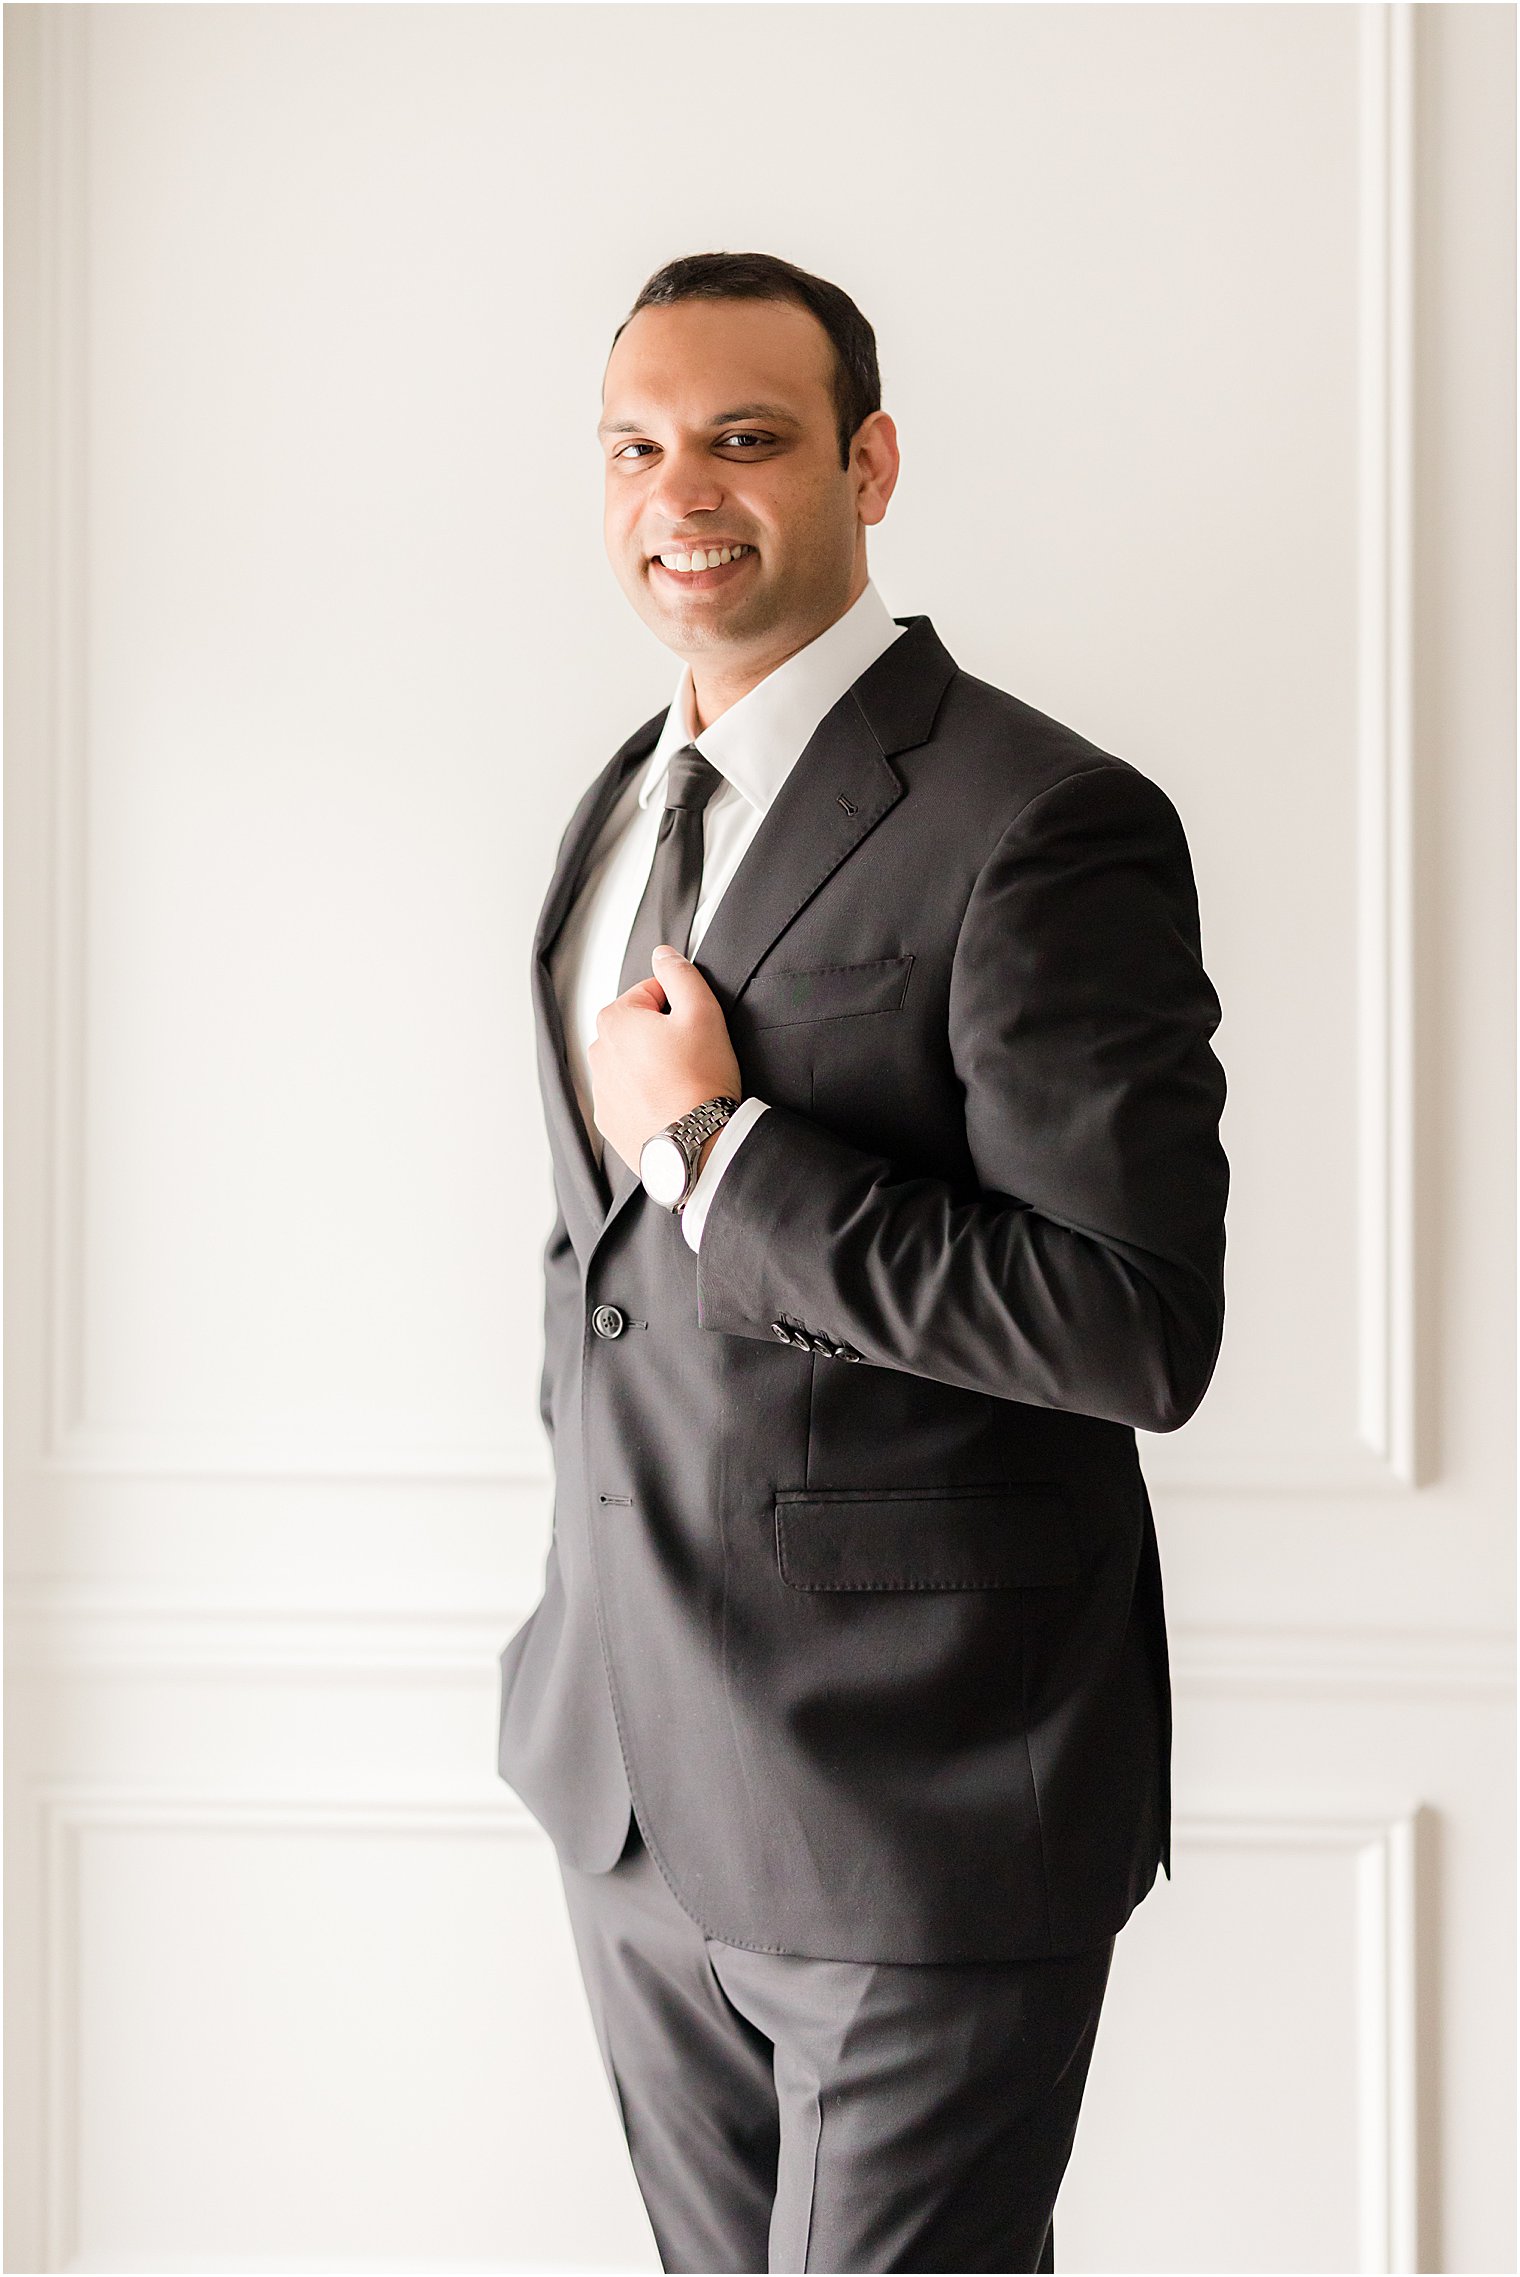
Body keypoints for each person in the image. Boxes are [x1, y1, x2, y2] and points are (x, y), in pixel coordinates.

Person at [496, 249, 1229, 2275]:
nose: (681, 493)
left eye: (744, 438)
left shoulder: (1041, 820)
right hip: (631, 1783)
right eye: (636, 447)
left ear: (867, 460)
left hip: (917, 1803)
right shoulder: (613, 810)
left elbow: (1130, 1320)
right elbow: (604, 1289)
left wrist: (726, 1148)